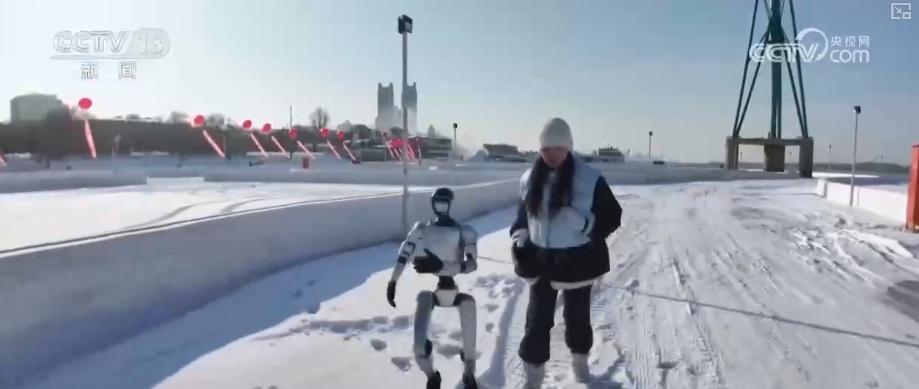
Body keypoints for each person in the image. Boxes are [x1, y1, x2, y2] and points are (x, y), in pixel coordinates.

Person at [509, 118, 622, 387]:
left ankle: (581, 370)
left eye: (557, 149)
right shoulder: (529, 180)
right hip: (540, 262)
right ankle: (532, 380)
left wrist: (585, 225)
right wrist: (520, 236)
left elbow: (612, 216)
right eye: (545, 149)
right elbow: (522, 216)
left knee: (577, 318)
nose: (551, 155)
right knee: (536, 322)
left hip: (577, 262)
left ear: (569, 148)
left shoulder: (589, 179)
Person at [386, 187, 481, 389]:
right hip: (434, 292)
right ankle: (431, 376)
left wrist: (445, 267)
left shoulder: (464, 231)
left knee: (469, 315)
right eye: (437, 202)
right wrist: (393, 281)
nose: (440, 206)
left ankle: (469, 372)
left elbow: (472, 264)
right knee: (419, 345)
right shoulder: (422, 229)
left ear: (450, 204)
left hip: (454, 289)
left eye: (443, 202)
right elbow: (404, 254)